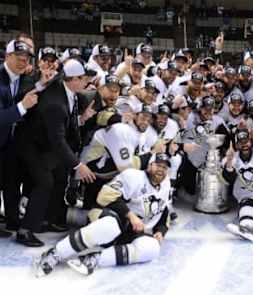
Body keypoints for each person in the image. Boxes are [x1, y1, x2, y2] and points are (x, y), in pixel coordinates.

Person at [33, 153, 172, 277]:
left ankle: (94, 259)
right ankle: (55, 253)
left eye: (165, 168)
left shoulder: (166, 185)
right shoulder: (133, 176)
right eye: (158, 165)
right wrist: (130, 215)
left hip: (130, 231)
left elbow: (164, 210)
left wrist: (161, 231)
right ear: (149, 166)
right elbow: (104, 196)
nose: (161, 170)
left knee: (152, 248)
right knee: (110, 227)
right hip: (108, 216)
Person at [16, 59, 97, 247]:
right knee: (45, 182)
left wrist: (81, 119)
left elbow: (63, 128)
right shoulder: (56, 104)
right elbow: (58, 140)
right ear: (73, 80)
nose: (87, 82)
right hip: (33, 146)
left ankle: (48, 219)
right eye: (84, 78)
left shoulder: (69, 92)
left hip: (47, 146)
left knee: (60, 174)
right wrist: (78, 165)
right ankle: (25, 230)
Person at [0, 40, 40, 237]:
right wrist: (22, 107)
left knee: (12, 182)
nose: (23, 61)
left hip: (11, 144)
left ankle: (12, 221)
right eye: (18, 57)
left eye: (26, 58)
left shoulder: (23, 77)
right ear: (7, 56)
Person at [224, 130, 253, 242]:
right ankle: (246, 228)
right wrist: (229, 161)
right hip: (246, 197)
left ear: (251, 142)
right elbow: (228, 180)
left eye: (247, 142)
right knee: (247, 208)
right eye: (241, 143)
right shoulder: (230, 158)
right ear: (236, 145)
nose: (244, 145)